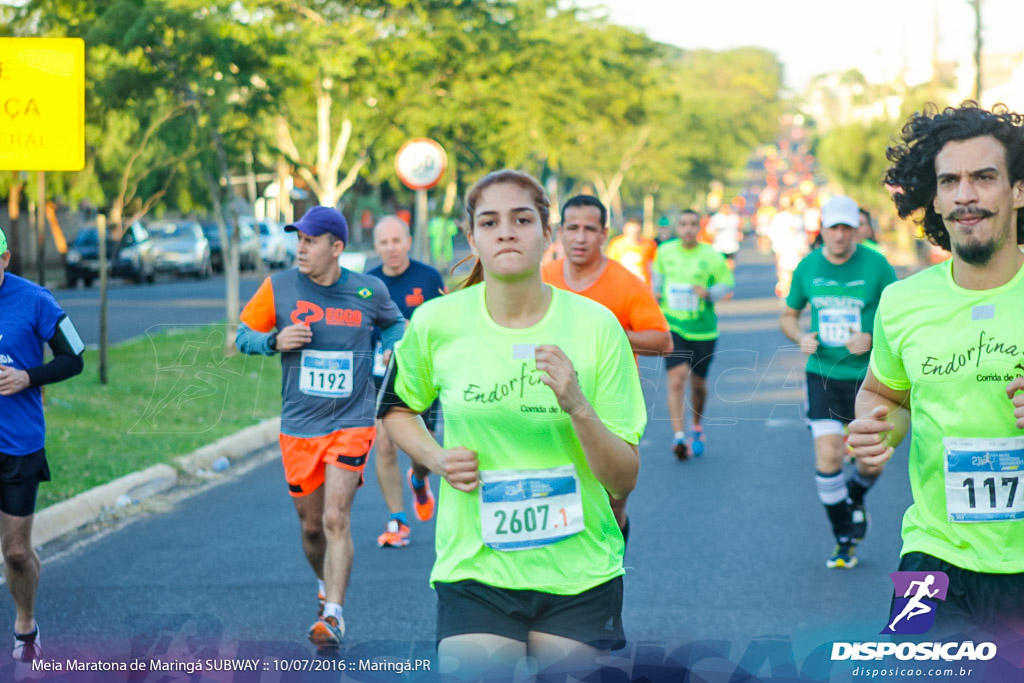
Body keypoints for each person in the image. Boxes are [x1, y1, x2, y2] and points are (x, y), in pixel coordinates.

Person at [377, 170, 645, 678]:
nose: (506, 232)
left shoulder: (596, 326)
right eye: (490, 221)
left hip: (578, 572)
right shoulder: (437, 322)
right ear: (472, 235)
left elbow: (623, 478)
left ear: (548, 234)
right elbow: (396, 407)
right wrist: (435, 458)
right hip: (475, 568)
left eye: (522, 219)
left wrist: (577, 405)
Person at [849, 103, 1024, 632]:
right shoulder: (904, 302)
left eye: (984, 178)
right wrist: (879, 428)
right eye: (949, 180)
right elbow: (886, 394)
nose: (965, 195)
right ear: (934, 197)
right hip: (933, 552)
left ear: (1018, 191)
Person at [235, 207, 404, 652]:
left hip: (351, 420)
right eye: (299, 240)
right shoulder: (279, 288)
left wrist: (388, 353)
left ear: (337, 248)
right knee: (311, 527)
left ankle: (334, 615)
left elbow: (394, 324)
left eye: (310, 241)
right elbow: (241, 336)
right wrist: (274, 341)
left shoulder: (368, 290)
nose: (301, 248)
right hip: (300, 425)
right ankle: (323, 583)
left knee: (335, 517)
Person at [542, 194, 670, 543]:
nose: (580, 237)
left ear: (604, 234)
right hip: (548, 401)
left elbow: (663, 341)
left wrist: (610, 333)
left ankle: (611, 569)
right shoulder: (543, 278)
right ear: (559, 232)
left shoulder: (626, 282)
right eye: (572, 228)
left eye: (589, 229)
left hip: (610, 403)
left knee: (612, 501)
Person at [780, 195, 897, 569]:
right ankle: (843, 538)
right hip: (823, 374)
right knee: (829, 453)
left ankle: (856, 494)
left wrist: (872, 338)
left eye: (847, 228)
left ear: (857, 229)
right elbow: (788, 314)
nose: (841, 236)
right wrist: (799, 337)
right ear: (823, 230)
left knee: (873, 462)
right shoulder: (807, 267)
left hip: (870, 378)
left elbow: (899, 316)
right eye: (834, 228)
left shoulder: (877, 265)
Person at [0, 227, 85, 675]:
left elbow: (75, 356)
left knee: (15, 551)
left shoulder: (35, 300)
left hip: (19, 444)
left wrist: (27, 377)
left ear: (6, 258)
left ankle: (26, 626)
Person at [368, 215, 444, 548]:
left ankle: (419, 480)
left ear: (408, 242)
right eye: (384, 243)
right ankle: (397, 521)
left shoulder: (428, 279)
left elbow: (445, 328)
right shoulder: (367, 283)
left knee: (422, 446)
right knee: (384, 443)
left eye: (396, 241)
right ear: (376, 247)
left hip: (422, 376)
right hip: (382, 374)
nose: (391, 249)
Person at [653, 210, 734, 459]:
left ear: (699, 227)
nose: (687, 229)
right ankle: (679, 436)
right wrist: (655, 293)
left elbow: (726, 284)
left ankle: (696, 426)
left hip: (703, 330)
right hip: (674, 325)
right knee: (676, 378)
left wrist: (709, 292)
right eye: (683, 224)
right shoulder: (665, 251)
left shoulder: (711, 255)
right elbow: (656, 280)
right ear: (677, 227)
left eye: (692, 224)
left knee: (698, 384)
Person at [606, 218, 657, 290]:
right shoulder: (616, 244)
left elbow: (654, 267)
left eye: (636, 231)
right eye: (631, 231)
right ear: (625, 229)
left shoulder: (649, 244)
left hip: (643, 287)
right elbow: (610, 266)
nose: (634, 234)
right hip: (622, 286)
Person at [706, 202, 743, 270]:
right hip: (719, 245)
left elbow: (739, 227)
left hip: (731, 245)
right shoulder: (716, 218)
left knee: (730, 261)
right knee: (719, 262)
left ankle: (728, 275)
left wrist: (739, 233)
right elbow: (710, 231)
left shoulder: (734, 217)